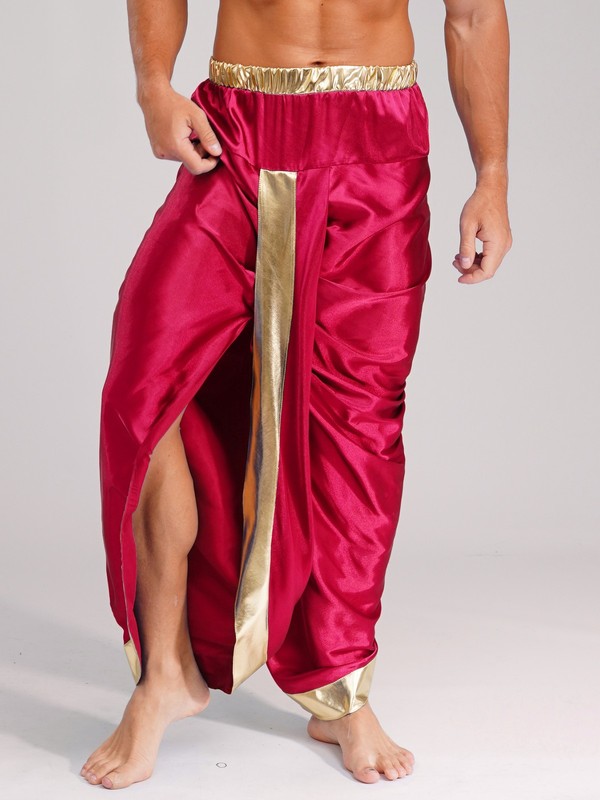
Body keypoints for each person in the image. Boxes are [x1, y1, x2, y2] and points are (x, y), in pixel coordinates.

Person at [81, 0, 512, 790]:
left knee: (359, 427)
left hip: (377, 145)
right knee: (148, 384)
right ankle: (165, 672)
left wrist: (491, 176)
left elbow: (475, 14)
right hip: (238, 129)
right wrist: (153, 86)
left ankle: (341, 688)